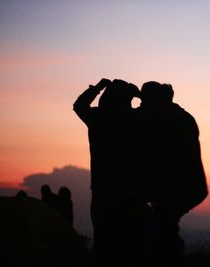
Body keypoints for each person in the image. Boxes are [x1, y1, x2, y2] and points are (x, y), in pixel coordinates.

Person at [138, 81, 208, 266]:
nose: (141, 106)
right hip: (185, 188)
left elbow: (165, 159)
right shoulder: (177, 116)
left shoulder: (170, 120)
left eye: (144, 101)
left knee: (163, 231)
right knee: (164, 229)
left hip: (180, 188)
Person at [73, 78, 143, 265]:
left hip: (103, 188)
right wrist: (139, 95)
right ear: (127, 99)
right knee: (131, 245)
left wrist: (97, 87)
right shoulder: (135, 118)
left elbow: (79, 105)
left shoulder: (98, 117)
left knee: (104, 244)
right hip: (132, 190)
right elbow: (152, 110)